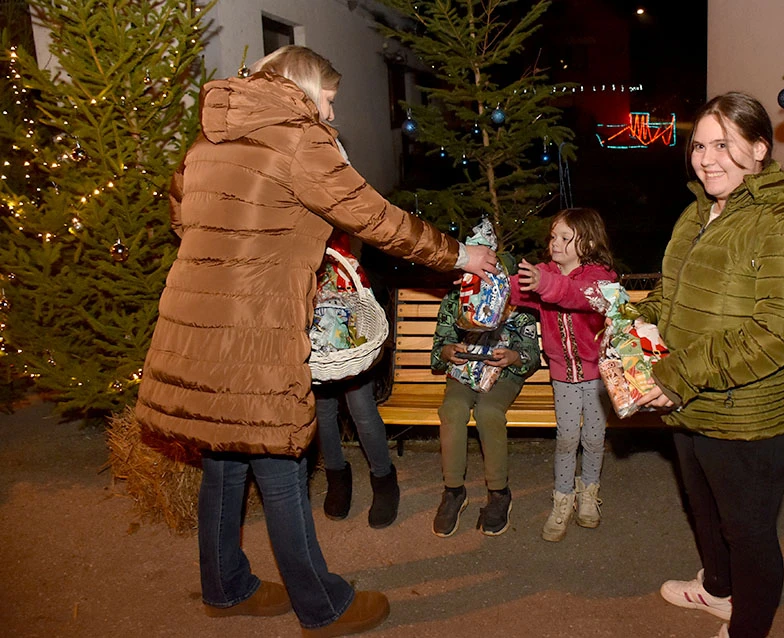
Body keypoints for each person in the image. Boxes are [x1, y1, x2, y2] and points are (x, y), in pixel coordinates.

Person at [134, 45, 497, 638]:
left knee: (224, 458)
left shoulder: (207, 142)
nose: (330, 114)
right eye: (327, 100)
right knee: (280, 456)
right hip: (255, 325)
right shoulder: (299, 139)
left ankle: (225, 586)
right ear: (303, 87)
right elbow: (374, 217)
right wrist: (460, 254)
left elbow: (183, 217)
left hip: (191, 321)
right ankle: (321, 606)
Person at [634, 92, 784, 638]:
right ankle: (718, 592)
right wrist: (635, 322)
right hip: (691, 402)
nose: (706, 157)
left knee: (747, 530)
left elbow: (783, 331)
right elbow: (672, 295)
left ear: (760, 150)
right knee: (704, 511)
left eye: (724, 144)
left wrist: (676, 375)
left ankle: (749, 626)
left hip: (751, 415)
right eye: (699, 144)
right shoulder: (698, 211)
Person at [509, 208, 618, 542]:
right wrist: (483, 281)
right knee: (567, 438)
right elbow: (512, 291)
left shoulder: (602, 277)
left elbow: (578, 296)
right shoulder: (543, 273)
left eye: (565, 238)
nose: (555, 243)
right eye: (553, 237)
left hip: (597, 375)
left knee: (595, 438)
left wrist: (546, 284)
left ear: (587, 242)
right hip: (562, 374)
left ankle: (588, 494)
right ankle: (562, 499)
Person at [431, 255, 542, 537]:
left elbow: (531, 357)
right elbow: (438, 350)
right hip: (463, 371)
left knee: (488, 413)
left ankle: (498, 491)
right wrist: (447, 352)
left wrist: (514, 357)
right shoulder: (458, 300)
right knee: (452, 410)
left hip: (503, 375)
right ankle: (454, 490)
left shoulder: (519, 307)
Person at [313, 234, 399, 530]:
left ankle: (384, 478)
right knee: (322, 411)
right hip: (316, 353)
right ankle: (337, 475)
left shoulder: (344, 258)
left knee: (361, 407)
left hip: (353, 345)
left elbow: (367, 298)